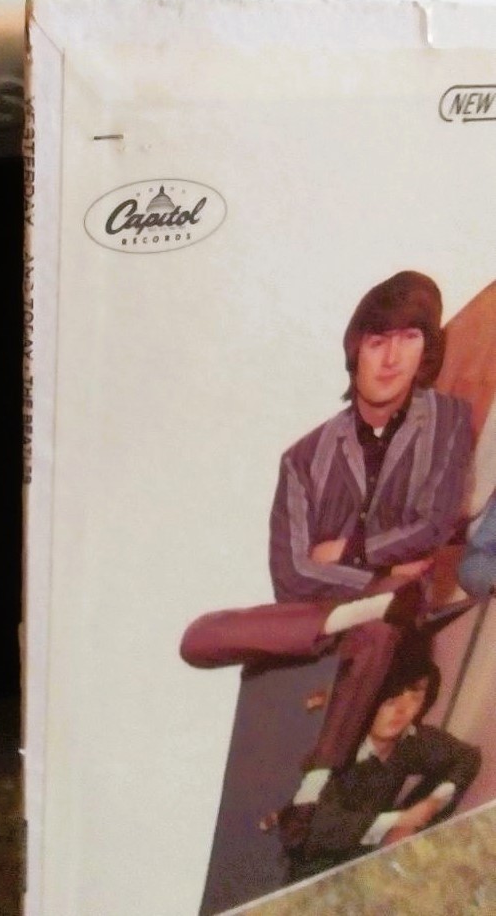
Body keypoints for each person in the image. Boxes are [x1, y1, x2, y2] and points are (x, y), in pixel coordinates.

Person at [181, 271, 473, 846]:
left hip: (385, 618)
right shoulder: (302, 458)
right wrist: (381, 571)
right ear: (354, 351)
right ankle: (366, 610)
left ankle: (311, 788)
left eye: (409, 338)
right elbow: (291, 576)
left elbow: (433, 526)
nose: (391, 358)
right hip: (318, 620)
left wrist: (347, 551)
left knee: (381, 633)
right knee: (199, 638)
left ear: (426, 349)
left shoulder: (449, 421)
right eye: (377, 341)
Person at [264, 639, 480, 865]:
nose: (402, 710)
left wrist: (431, 803)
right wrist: (397, 821)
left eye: (414, 699)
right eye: (391, 699)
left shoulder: (410, 740)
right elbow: (312, 830)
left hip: (372, 861)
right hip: (308, 867)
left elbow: (466, 758)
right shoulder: (330, 750)